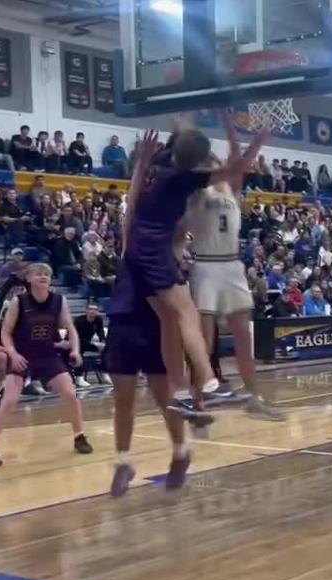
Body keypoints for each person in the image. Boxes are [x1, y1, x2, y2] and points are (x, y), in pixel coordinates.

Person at [123, 122, 266, 422]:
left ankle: (181, 393)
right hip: (155, 252)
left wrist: (141, 162)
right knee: (186, 314)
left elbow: (132, 202)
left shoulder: (157, 166)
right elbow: (236, 166)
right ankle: (210, 383)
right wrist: (258, 141)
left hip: (135, 252)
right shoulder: (185, 179)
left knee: (168, 321)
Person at [184, 155, 284, 420]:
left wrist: (240, 133)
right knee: (205, 341)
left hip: (231, 264)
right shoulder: (198, 191)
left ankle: (254, 397)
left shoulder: (231, 189)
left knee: (243, 339)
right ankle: (196, 398)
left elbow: (240, 162)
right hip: (206, 264)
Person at [0, 263, 92, 467]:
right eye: (39, 273)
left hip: (48, 355)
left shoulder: (59, 301)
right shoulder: (19, 302)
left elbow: (71, 329)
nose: (44, 276)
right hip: (23, 355)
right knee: (10, 401)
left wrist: (75, 350)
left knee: (70, 394)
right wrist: (12, 354)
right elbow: (5, 332)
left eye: (47, 274)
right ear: (29, 278)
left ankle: (79, 436)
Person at [105, 263, 192, 496]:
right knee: (123, 399)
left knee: (164, 398)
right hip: (123, 324)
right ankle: (123, 462)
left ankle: (181, 452)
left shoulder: (166, 259)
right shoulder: (132, 249)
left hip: (157, 327)